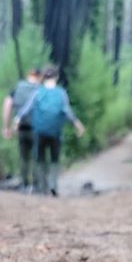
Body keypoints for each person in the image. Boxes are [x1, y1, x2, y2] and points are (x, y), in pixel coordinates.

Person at [14, 66, 85, 197]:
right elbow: (67, 110)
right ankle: (53, 185)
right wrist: (77, 123)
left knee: (40, 159)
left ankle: (43, 187)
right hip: (55, 132)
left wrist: (17, 119)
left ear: (43, 78)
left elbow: (27, 108)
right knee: (54, 159)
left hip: (39, 131)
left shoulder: (37, 92)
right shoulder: (61, 93)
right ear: (56, 78)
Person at [1, 67, 41, 191]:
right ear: (39, 76)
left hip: (21, 127)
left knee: (24, 157)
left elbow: (7, 104)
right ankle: (36, 185)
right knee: (37, 156)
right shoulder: (41, 89)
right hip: (38, 128)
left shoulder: (17, 88)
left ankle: (25, 184)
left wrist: (6, 126)